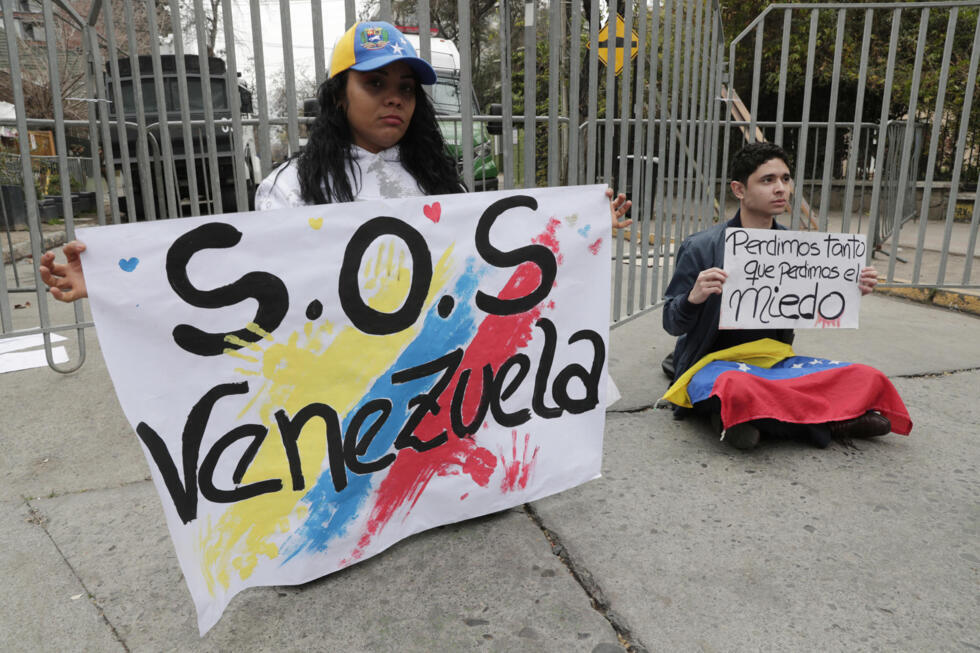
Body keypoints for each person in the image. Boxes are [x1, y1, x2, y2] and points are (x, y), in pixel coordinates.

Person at [40, 20, 632, 301]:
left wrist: (583, 226)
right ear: (338, 96)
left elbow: (491, 250)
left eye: (406, 87)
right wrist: (113, 283)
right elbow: (243, 271)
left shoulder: (439, 179)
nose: (395, 98)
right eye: (375, 84)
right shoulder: (291, 188)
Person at [661, 142, 910, 450]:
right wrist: (693, 297)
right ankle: (830, 424)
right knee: (734, 386)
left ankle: (741, 418)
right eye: (767, 180)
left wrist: (850, 287)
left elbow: (816, 304)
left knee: (866, 375)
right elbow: (672, 322)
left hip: (774, 364)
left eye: (785, 179)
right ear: (739, 190)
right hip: (715, 365)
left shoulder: (797, 248)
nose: (781, 188)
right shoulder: (701, 247)